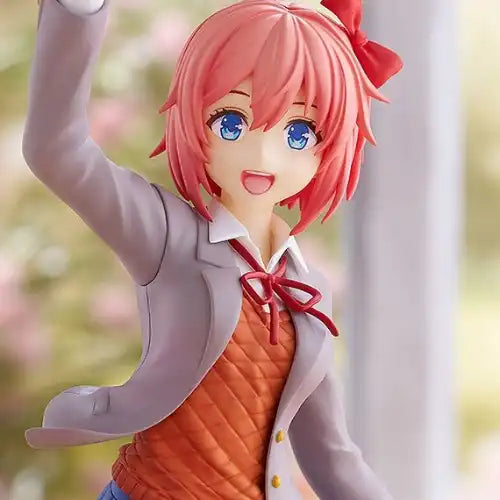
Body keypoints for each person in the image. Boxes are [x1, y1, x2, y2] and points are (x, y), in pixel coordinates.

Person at [24, 0, 403, 498]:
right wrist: (79, 11)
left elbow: (330, 454)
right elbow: (58, 151)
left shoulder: (306, 290)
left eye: (298, 133)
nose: (262, 154)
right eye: (232, 122)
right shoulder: (168, 235)